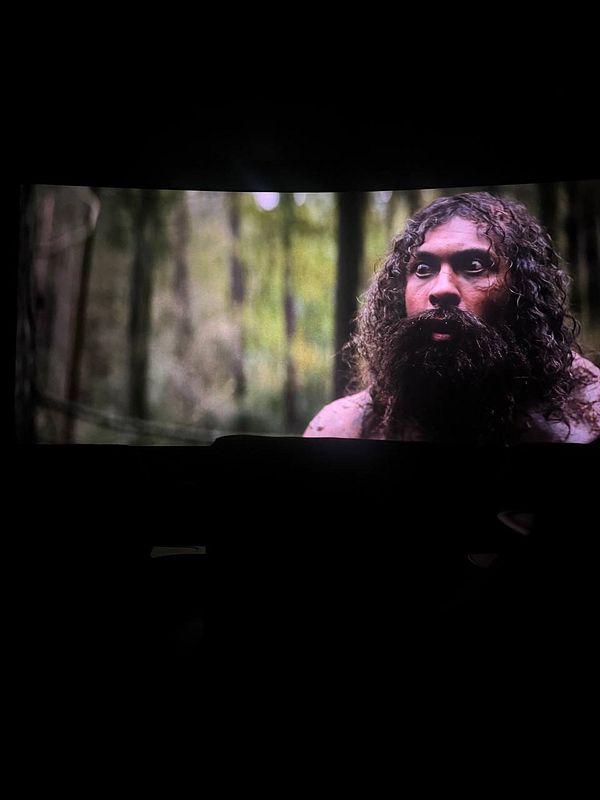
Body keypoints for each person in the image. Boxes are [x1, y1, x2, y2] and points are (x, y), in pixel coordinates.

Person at [304, 192, 600, 444]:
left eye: (473, 265)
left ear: (521, 289)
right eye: (422, 269)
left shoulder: (588, 414)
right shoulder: (345, 429)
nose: (442, 289)